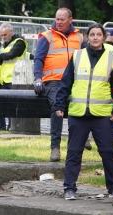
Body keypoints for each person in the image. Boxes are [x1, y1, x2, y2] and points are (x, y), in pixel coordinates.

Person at [53, 24, 113, 200]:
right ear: (86, 37)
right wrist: (59, 105)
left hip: (102, 113)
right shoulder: (77, 55)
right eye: (92, 34)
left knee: (107, 152)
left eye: (99, 34)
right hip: (78, 113)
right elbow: (66, 81)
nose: (95, 37)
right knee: (74, 152)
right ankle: (69, 188)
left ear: (104, 37)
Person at [33, 8, 84, 162]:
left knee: (83, 102)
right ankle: (55, 147)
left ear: (70, 19)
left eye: (62, 19)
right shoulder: (47, 36)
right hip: (53, 81)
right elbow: (38, 59)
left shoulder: (80, 37)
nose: (59, 22)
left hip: (75, 81)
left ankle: (83, 137)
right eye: (57, 19)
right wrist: (37, 78)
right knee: (58, 106)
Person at [0, 23, 28, 131]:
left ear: (11, 32)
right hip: (5, 79)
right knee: (6, 106)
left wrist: (0, 56)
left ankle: (15, 127)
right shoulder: (5, 44)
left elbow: (12, 54)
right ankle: (7, 127)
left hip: (15, 79)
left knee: (14, 105)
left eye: (5, 34)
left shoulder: (19, 42)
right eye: (1, 35)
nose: (3, 37)